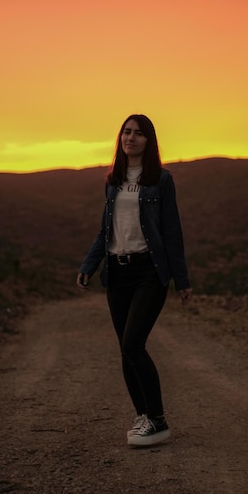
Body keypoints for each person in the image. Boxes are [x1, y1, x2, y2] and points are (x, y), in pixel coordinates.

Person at [77, 114, 192, 447]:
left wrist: (181, 280)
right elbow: (106, 230)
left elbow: (172, 232)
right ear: (120, 139)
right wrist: (90, 263)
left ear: (148, 141)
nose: (131, 138)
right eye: (126, 132)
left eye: (139, 133)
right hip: (117, 271)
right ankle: (143, 416)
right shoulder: (112, 180)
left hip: (148, 273)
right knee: (125, 351)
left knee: (132, 344)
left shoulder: (161, 180)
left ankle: (158, 420)